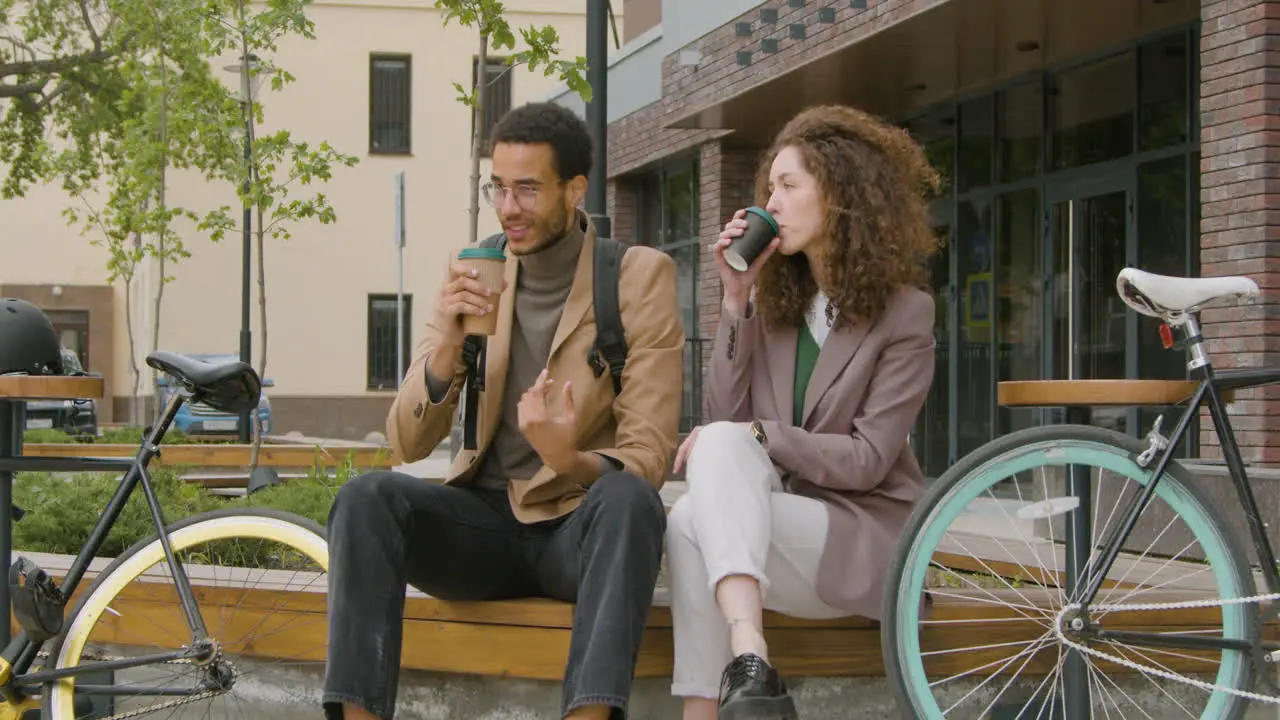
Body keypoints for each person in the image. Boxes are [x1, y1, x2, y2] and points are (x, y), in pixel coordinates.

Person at [321, 101, 685, 720]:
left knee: (630, 501)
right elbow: (406, 442)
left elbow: (648, 457)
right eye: (498, 187)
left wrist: (566, 455)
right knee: (366, 497)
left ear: (575, 189)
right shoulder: (476, 269)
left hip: (576, 529)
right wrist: (445, 350)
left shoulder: (635, 277)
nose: (509, 207)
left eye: (527, 188)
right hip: (483, 528)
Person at [665, 104, 940, 720]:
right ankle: (740, 667)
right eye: (770, 188)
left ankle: (742, 668)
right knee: (688, 516)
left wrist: (762, 436)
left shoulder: (905, 315)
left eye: (789, 186)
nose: (773, 202)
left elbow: (869, 460)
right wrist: (736, 302)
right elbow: (723, 419)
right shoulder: (776, 302)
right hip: (770, 533)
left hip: (864, 540)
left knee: (696, 508)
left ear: (841, 197)